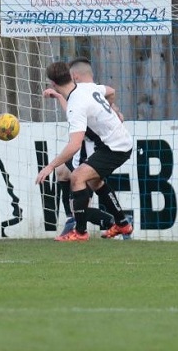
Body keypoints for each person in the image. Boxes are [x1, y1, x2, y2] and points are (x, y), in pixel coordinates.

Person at [35, 60, 134, 241]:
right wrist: (111, 110)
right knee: (95, 182)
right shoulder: (86, 88)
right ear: (70, 76)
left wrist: (49, 166)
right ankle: (122, 224)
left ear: (53, 83)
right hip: (113, 143)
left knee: (77, 177)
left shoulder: (76, 104)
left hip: (115, 147)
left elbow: (74, 145)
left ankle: (80, 232)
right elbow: (111, 91)